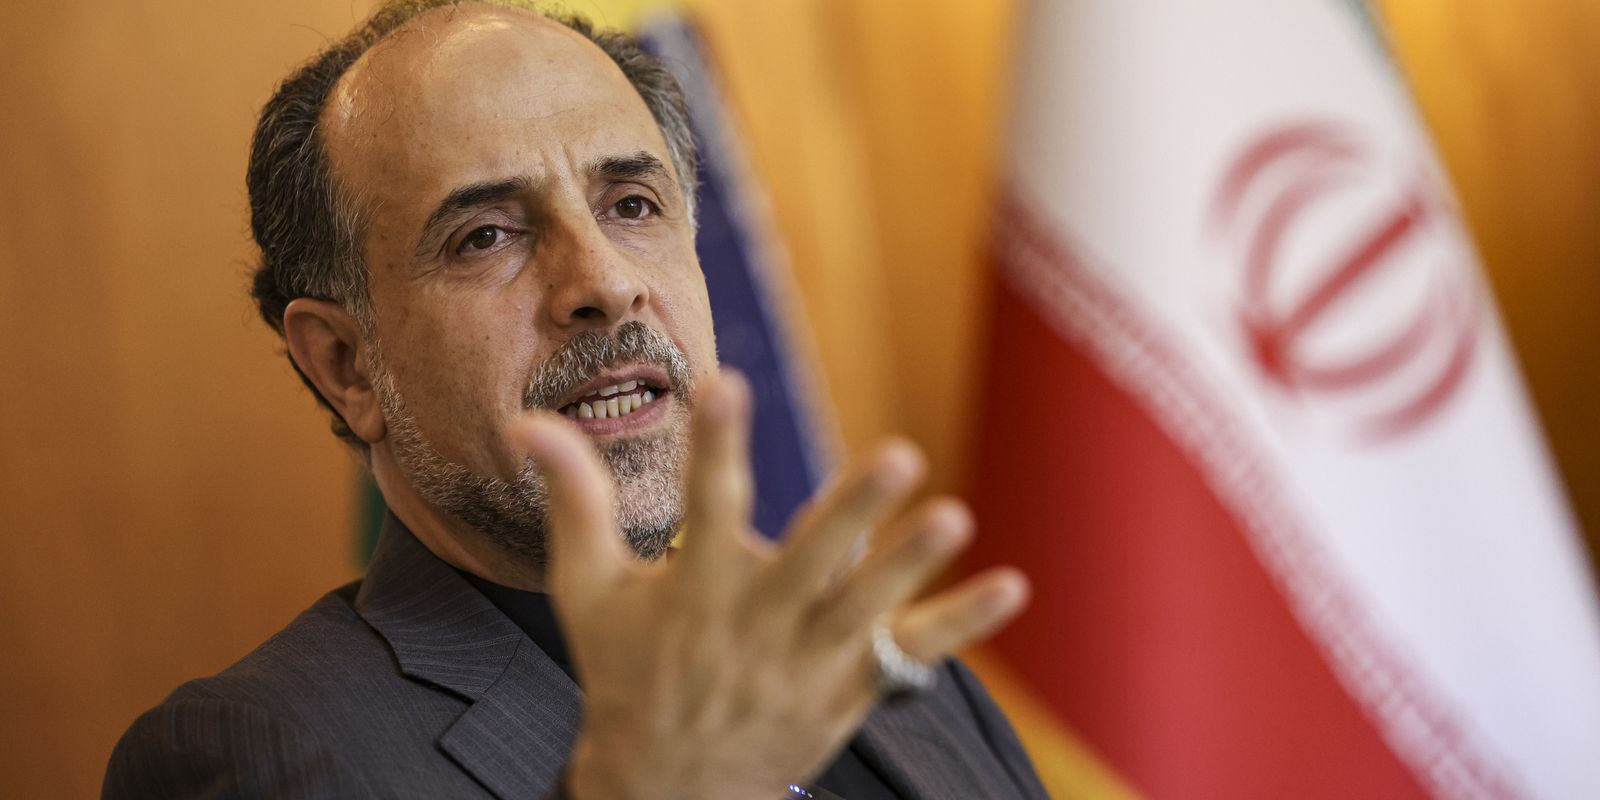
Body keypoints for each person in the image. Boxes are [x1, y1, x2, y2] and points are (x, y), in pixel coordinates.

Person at [104, 2, 1044, 797]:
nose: (604, 283)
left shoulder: (899, 679)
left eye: (632, 205)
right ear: (348, 364)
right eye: (485, 235)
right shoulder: (258, 751)